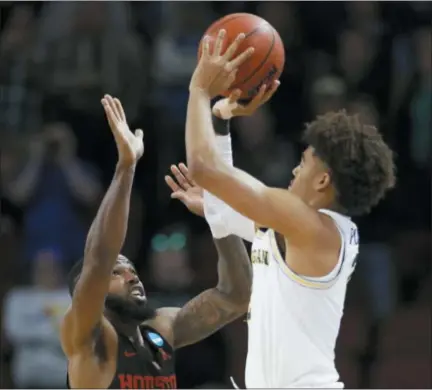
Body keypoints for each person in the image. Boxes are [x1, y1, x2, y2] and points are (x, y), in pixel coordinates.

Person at [180, 30, 396, 388]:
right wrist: (219, 118)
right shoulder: (306, 231)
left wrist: (199, 91)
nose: (295, 170)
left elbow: (204, 169)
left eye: (305, 162)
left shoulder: (309, 226)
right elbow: (229, 214)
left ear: (324, 180)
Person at [61, 95, 252, 389]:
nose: (130, 274)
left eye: (130, 268)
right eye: (117, 272)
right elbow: (99, 256)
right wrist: (126, 167)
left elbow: (235, 296)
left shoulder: (161, 329)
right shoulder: (89, 339)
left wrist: (218, 214)